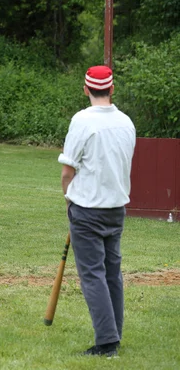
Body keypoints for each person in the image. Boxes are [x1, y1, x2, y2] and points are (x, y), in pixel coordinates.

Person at [58, 66, 136, 357]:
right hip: (116, 208)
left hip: (88, 209)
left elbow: (68, 170)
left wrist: (68, 198)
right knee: (112, 273)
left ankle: (106, 342)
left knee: (92, 275)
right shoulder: (126, 122)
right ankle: (114, 331)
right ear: (112, 89)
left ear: (86, 89)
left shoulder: (82, 120)